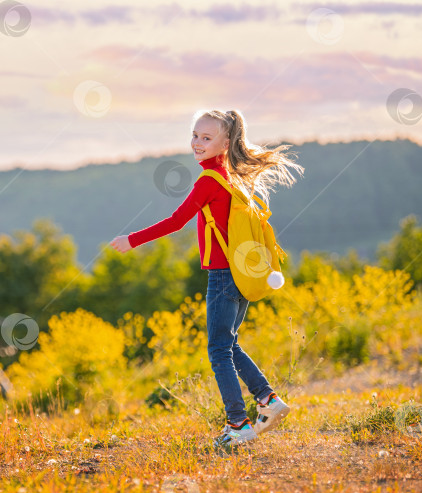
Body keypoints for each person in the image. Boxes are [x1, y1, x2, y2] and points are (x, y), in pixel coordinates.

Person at [110, 109, 302, 450]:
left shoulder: (208, 182)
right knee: (228, 344)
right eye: (195, 135)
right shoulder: (229, 179)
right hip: (241, 273)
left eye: (206, 138)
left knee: (218, 350)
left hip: (224, 276)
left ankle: (238, 424)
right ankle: (268, 401)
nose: (197, 143)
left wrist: (132, 240)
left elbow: (175, 221)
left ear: (225, 143)